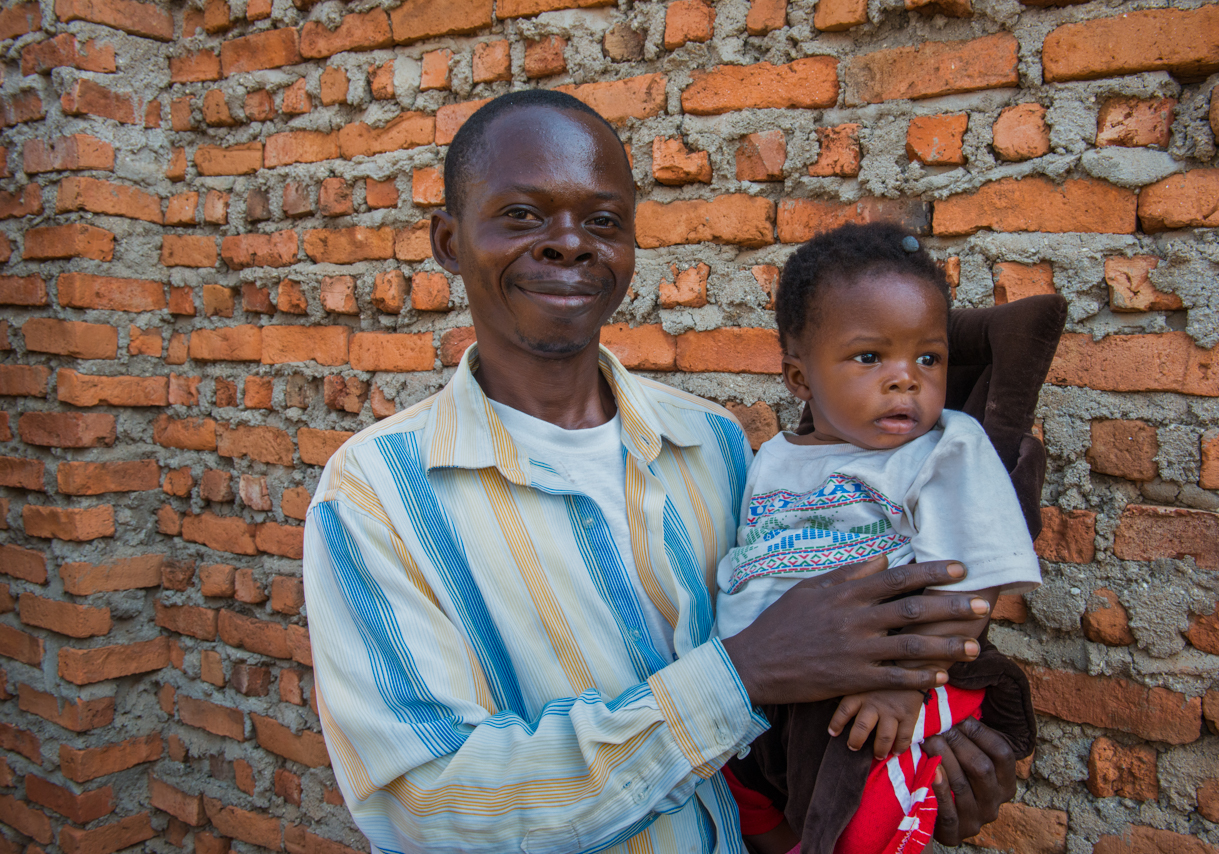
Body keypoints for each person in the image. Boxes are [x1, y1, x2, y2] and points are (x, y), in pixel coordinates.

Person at [302, 89, 1020, 854]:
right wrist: (737, 678)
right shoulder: (375, 495)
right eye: (522, 215)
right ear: (449, 241)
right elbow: (428, 808)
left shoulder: (711, 444)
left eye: (603, 222)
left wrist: (910, 774)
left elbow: (786, 720)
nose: (569, 244)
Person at [717, 223, 1041, 854]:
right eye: (871, 357)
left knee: (853, 819)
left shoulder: (944, 449)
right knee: (740, 798)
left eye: (929, 357)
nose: (906, 379)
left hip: (891, 682)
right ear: (799, 378)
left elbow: (970, 584)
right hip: (766, 691)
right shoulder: (773, 457)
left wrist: (903, 682)